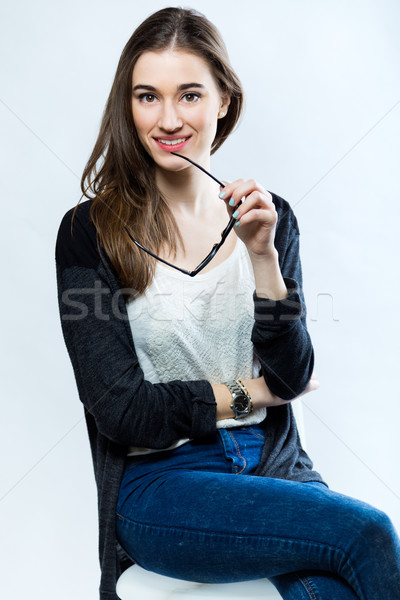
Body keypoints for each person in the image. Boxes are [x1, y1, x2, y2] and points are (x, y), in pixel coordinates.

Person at [55, 7, 400, 600]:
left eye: (189, 95)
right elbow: (124, 409)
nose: (167, 119)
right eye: (147, 97)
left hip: (273, 466)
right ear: (127, 106)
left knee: (336, 588)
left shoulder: (271, 218)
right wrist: (254, 393)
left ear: (224, 101)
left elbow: (292, 371)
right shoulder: (90, 232)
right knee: (366, 532)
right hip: (165, 484)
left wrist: (263, 257)